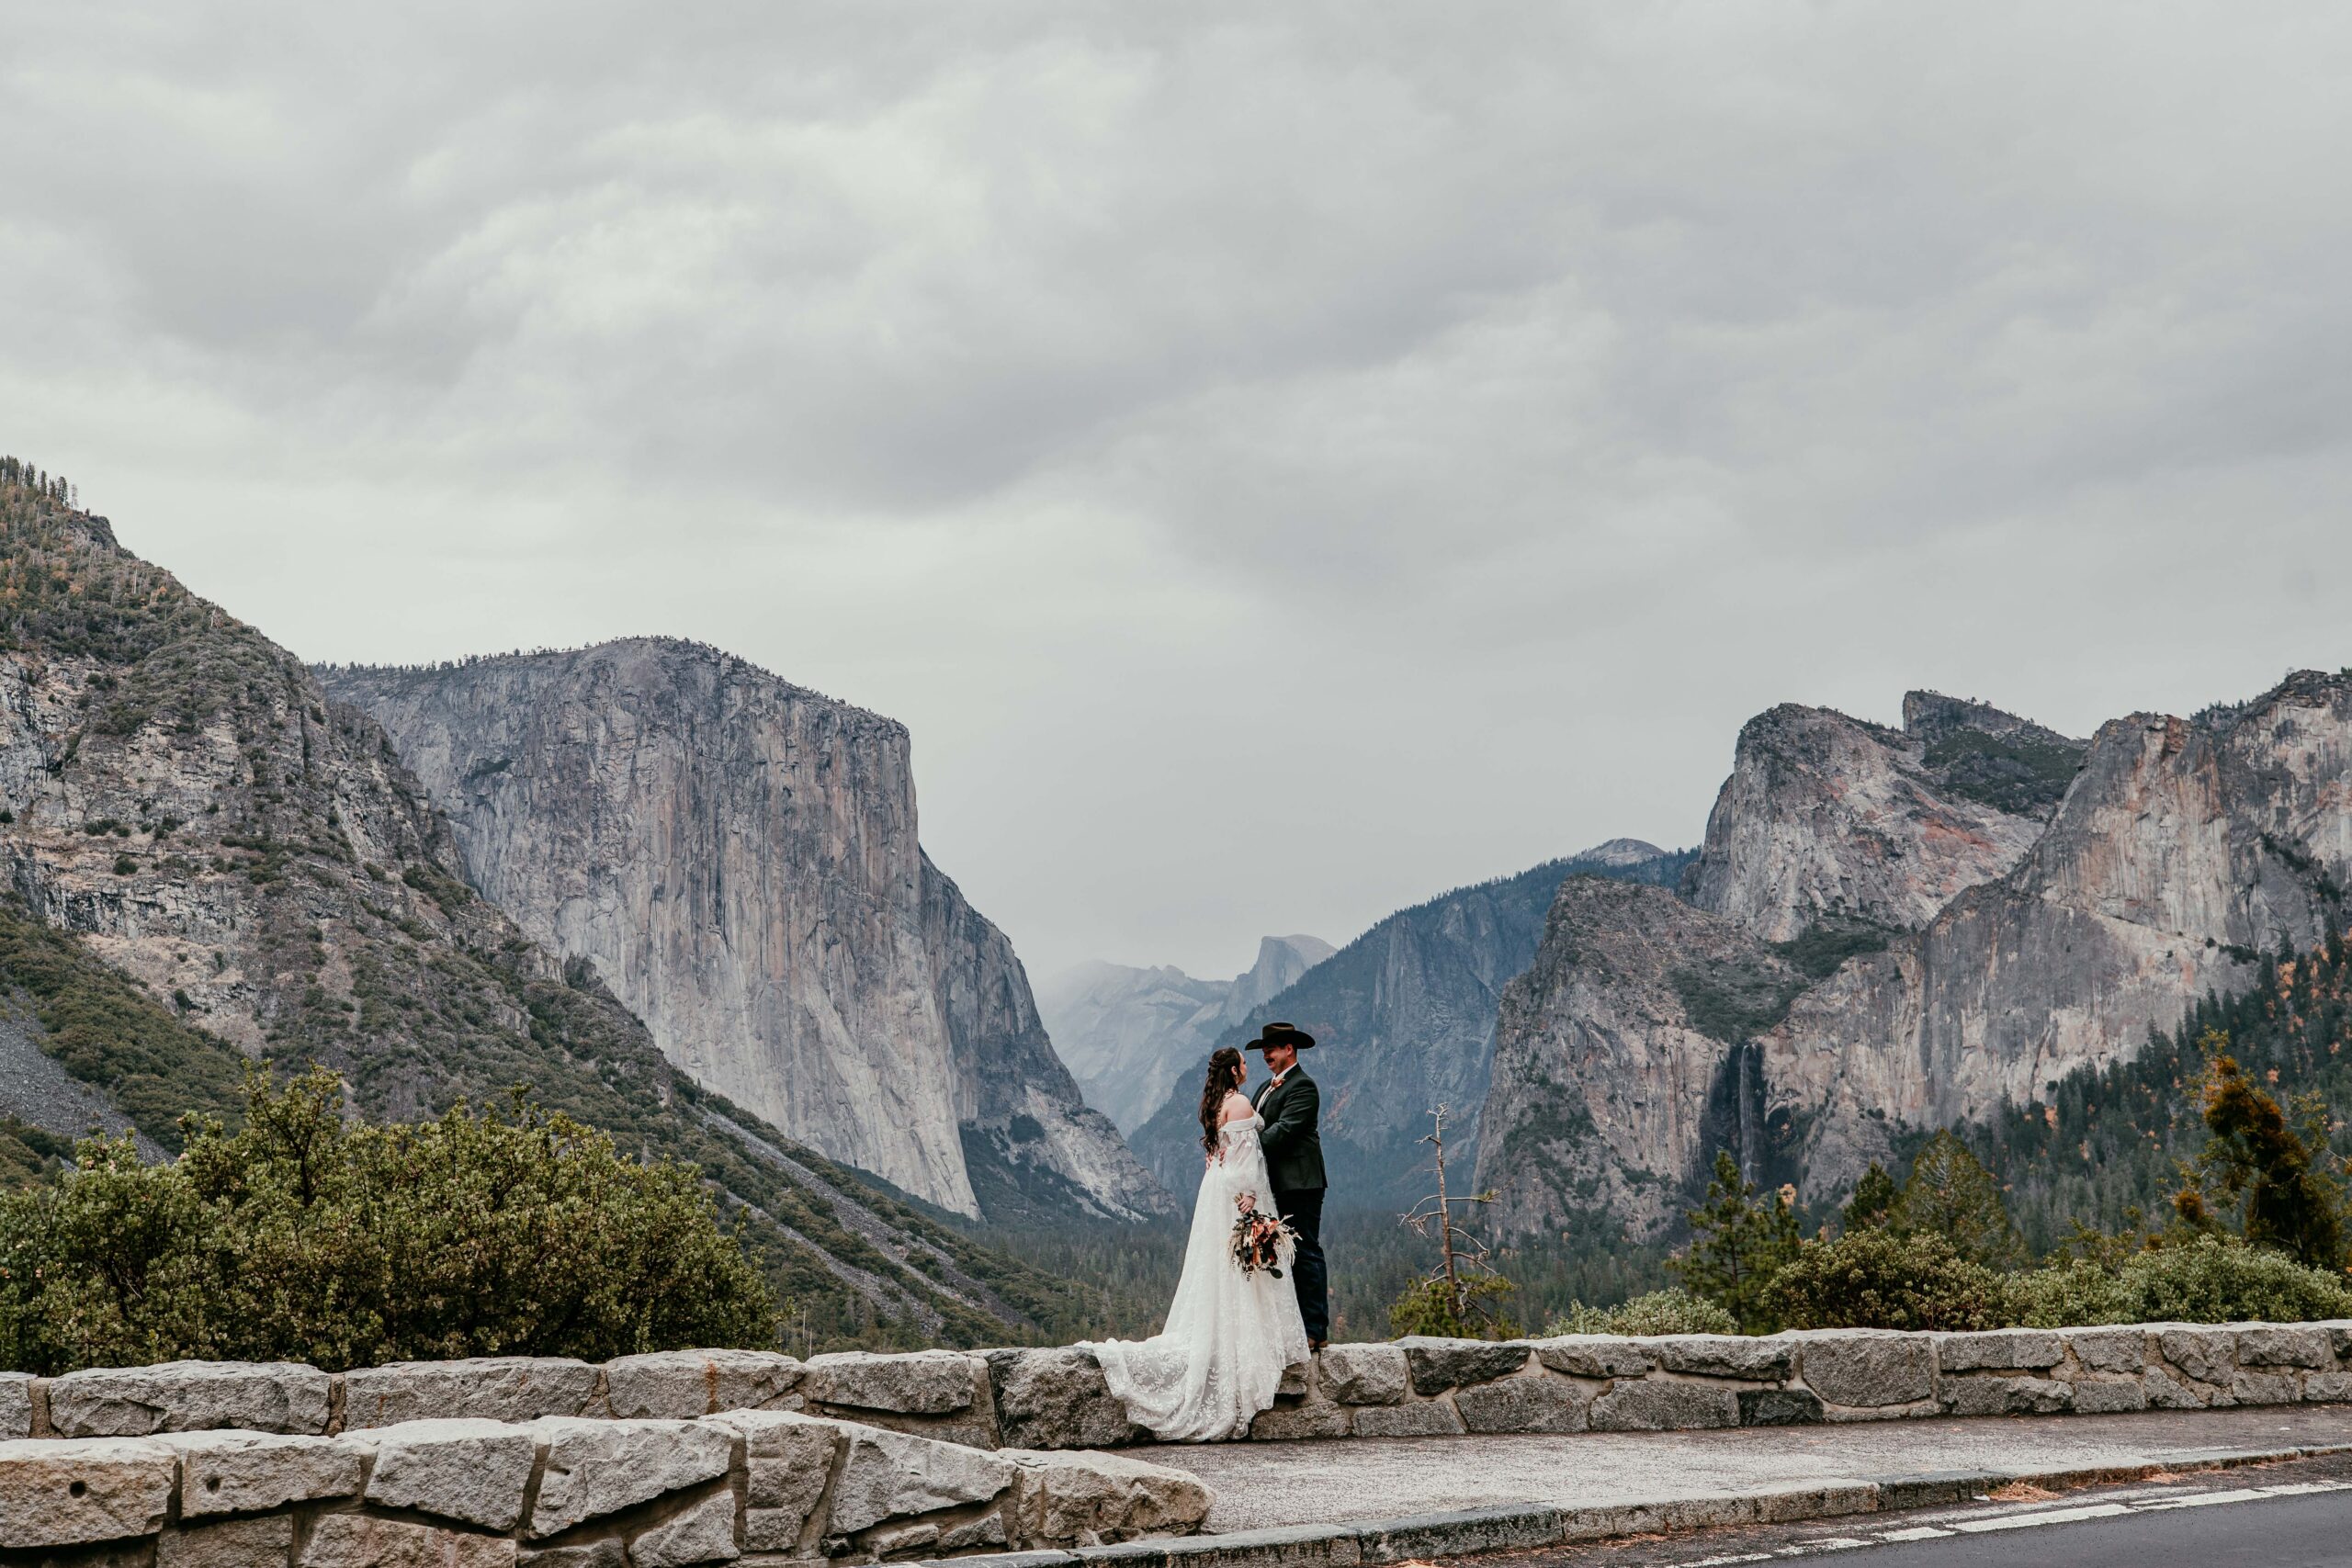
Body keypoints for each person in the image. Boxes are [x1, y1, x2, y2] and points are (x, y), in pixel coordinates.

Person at [1086, 1045, 1310, 1439]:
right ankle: (1244, 1352)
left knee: (1218, 1268)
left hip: (1213, 1190)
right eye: (1243, 1062)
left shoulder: (1213, 1104)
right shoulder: (1239, 1103)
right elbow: (1246, 1159)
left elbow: (1217, 1155)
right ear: (1234, 1070)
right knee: (1244, 1268)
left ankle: (1225, 1343)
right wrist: (1251, 1198)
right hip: (1235, 1192)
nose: (1247, 1066)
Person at [1247, 1021, 1329, 1348]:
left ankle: (1315, 1330)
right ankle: (1292, 1327)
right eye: (1265, 1049)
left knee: (1305, 1250)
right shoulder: (1266, 1087)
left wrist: (1243, 1148)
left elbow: (1283, 1131)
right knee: (1280, 1253)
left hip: (1301, 1183)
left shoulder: (1303, 1086)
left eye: (1273, 1047)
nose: (1266, 1053)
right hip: (1276, 1184)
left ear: (1290, 1049)